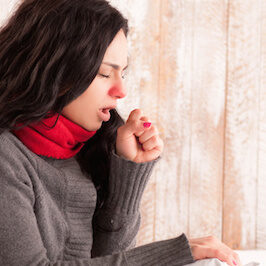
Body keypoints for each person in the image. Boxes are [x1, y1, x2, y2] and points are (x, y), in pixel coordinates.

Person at [0, 0, 242, 265]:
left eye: (122, 73)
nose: (121, 91)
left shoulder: (87, 150)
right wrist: (170, 255)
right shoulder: (6, 157)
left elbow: (103, 259)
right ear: (55, 70)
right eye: (105, 73)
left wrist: (128, 172)